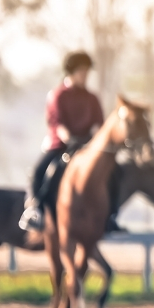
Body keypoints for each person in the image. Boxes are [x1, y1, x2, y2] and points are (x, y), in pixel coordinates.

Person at [20, 51, 105, 232]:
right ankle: (34, 211)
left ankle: (109, 214)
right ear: (71, 72)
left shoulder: (92, 98)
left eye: (87, 72)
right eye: (82, 71)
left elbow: (99, 124)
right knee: (39, 171)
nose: (85, 76)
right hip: (60, 146)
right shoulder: (58, 95)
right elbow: (57, 123)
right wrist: (70, 139)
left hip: (87, 147)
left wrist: (94, 140)